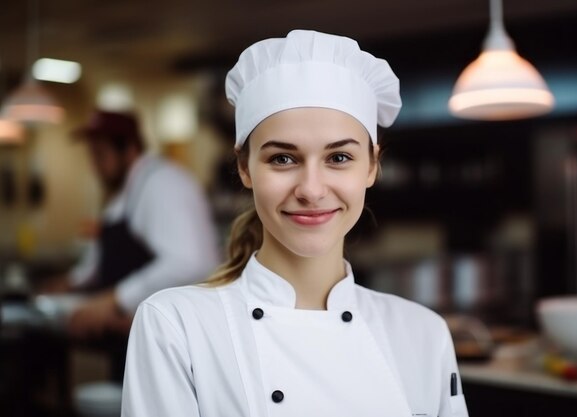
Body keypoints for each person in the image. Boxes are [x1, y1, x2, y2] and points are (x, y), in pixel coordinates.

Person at [122, 30, 470, 417]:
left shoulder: (423, 333)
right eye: (282, 159)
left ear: (372, 166)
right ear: (244, 167)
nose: (311, 190)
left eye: (338, 158)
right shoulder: (175, 326)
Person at [46, 110, 220, 379]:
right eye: (92, 157)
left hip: (171, 340)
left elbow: (190, 262)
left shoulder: (163, 183)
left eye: (100, 156)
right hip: (133, 335)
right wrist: (70, 283)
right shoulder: (125, 191)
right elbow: (101, 260)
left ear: (129, 149)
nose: (95, 167)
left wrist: (113, 300)